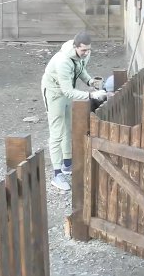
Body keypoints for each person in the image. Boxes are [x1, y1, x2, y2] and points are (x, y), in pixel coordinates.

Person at [41, 31, 107, 191]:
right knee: (57, 132)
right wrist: (92, 94)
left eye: (89, 50)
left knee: (68, 127)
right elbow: (68, 91)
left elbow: (80, 69)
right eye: (83, 50)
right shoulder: (63, 61)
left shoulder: (83, 55)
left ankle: (67, 164)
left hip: (65, 91)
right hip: (54, 93)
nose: (86, 53)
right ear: (75, 47)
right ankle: (57, 175)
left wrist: (90, 81)